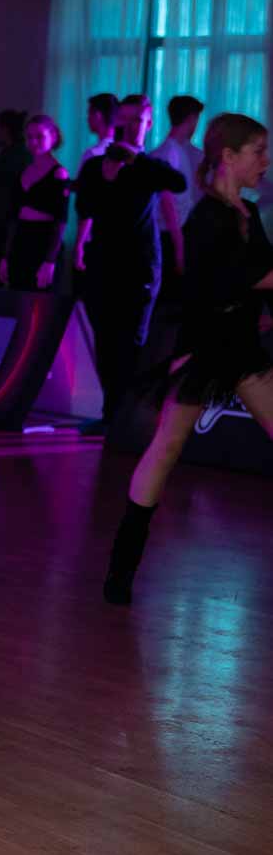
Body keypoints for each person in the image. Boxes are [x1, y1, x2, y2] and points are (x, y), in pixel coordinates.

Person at [103, 113, 272, 604]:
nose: (265, 161)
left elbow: (261, 273)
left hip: (242, 348)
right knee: (166, 448)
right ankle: (121, 568)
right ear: (229, 156)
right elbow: (235, 280)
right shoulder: (207, 218)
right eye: (258, 151)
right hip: (205, 349)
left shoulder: (249, 211)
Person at [74, 95, 187, 434]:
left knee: (132, 341)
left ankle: (127, 418)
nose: (130, 127)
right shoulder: (95, 166)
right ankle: (110, 415)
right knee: (105, 340)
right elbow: (85, 207)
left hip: (139, 265)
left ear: (148, 125)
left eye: (138, 120)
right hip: (103, 263)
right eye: (125, 120)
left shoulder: (149, 167)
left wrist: (134, 160)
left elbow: (178, 183)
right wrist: (107, 178)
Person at [0, 116, 71, 292]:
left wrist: (50, 261)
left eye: (39, 136)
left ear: (53, 137)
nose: (33, 142)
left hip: (43, 243)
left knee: (40, 301)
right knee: (16, 298)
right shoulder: (23, 172)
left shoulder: (59, 173)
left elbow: (61, 220)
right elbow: (13, 218)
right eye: (29, 137)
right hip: (21, 243)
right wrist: (5, 256)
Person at [150, 94, 205, 304]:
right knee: (168, 301)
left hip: (173, 234)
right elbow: (167, 203)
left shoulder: (176, 150)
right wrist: (179, 246)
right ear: (191, 119)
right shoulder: (168, 152)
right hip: (169, 237)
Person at [0, 109, 30, 260]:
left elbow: (7, 198)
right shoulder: (16, 154)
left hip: (7, 228)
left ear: (5, 129)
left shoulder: (12, 158)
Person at [81, 93, 118, 163]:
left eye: (89, 114)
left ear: (98, 115)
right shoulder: (123, 153)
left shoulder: (92, 154)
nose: (88, 119)